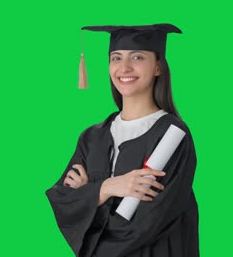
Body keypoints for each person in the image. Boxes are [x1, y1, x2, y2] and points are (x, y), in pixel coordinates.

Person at [46, 23, 199, 257]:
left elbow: (145, 225)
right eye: (116, 58)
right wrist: (106, 188)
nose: (124, 68)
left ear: (158, 66)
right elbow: (62, 200)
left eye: (137, 57)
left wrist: (88, 196)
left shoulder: (172, 136)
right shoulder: (92, 137)